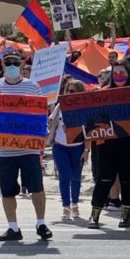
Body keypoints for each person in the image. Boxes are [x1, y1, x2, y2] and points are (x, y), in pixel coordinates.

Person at [0, 51, 52, 241]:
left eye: (15, 62)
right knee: (7, 190)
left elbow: (41, 114)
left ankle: (41, 223)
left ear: (21, 65)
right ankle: (13, 228)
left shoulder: (32, 87)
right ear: (2, 64)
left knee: (36, 187)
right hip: (4, 150)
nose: (11, 65)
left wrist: (45, 129)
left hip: (29, 149)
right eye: (7, 62)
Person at [88, 60, 130, 229]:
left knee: (128, 180)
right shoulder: (102, 93)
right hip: (106, 144)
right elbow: (91, 118)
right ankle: (94, 215)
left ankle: (126, 215)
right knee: (104, 179)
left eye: (122, 73)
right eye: (116, 73)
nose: (119, 76)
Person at [49, 80, 89, 220]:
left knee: (76, 178)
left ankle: (75, 204)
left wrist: (86, 150)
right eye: (68, 91)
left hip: (77, 147)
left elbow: (89, 132)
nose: (69, 94)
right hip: (60, 146)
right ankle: (65, 207)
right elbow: (50, 121)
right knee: (64, 177)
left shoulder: (85, 108)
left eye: (73, 91)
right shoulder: (60, 106)